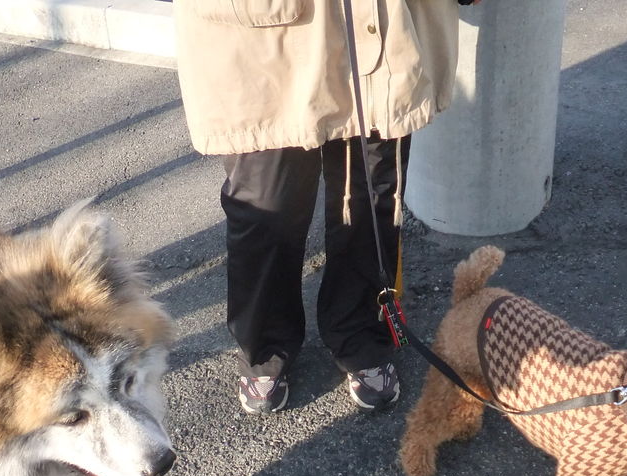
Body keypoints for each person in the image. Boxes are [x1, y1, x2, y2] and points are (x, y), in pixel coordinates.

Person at [172, 0, 471, 414]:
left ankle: (361, 333)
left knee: (370, 199)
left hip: (382, 23)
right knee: (266, 206)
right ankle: (265, 345)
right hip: (261, 36)